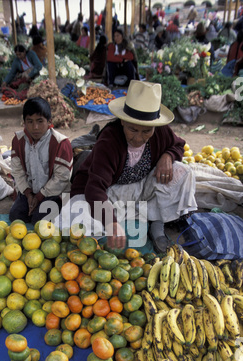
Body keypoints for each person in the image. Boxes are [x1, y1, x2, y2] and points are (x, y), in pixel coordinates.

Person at [60, 80, 197, 252]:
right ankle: (126, 220)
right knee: (79, 224)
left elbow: (178, 145)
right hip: (105, 192)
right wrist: (111, 222)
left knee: (183, 172)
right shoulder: (109, 140)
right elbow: (94, 189)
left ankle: (157, 222)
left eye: (146, 131)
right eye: (133, 130)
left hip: (139, 186)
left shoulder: (161, 131)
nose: (139, 138)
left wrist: (168, 156)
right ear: (123, 122)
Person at [9, 97, 73, 225]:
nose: (35, 127)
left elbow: (61, 178)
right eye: (30, 122)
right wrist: (28, 194)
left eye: (40, 121)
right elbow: (17, 171)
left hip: (54, 193)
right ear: (24, 122)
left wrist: (39, 197)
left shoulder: (61, 143)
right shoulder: (18, 140)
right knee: (16, 216)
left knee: (40, 220)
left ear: (49, 122)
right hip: (29, 191)